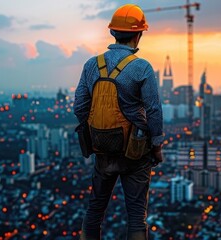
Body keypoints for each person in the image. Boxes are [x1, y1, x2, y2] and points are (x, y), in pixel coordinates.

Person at [73, 4, 164, 240]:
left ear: (113, 33)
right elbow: (153, 110)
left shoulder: (91, 65)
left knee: (95, 209)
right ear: (139, 34)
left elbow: (80, 107)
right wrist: (157, 146)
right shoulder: (141, 67)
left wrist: (97, 132)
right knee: (136, 215)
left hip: (103, 149)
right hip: (135, 152)